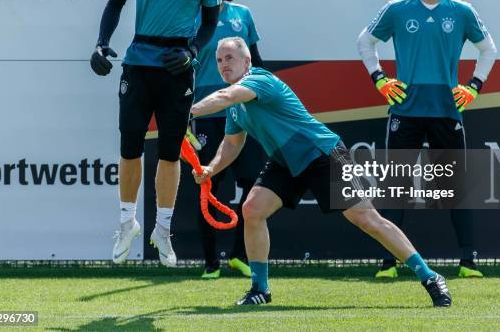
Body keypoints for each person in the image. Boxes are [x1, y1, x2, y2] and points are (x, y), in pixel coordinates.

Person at [190, 37, 452, 307]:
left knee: (366, 219)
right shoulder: (235, 108)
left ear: (247, 61)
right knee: (252, 209)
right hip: (285, 161)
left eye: (229, 58)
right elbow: (232, 145)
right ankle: (260, 288)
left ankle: (430, 276)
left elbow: (224, 96)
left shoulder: (258, 81)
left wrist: (187, 111)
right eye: (219, 60)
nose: (223, 65)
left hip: (321, 152)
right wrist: (211, 168)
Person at [89, 0, 223, 267]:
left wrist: (192, 52)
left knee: (169, 150)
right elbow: (114, 4)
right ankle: (126, 222)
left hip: (177, 66)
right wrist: (101, 43)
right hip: (138, 62)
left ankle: (162, 229)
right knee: (130, 145)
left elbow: (210, 22)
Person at [356, 0, 497, 278]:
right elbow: (365, 42)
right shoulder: (397, 9)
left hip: (447, 110)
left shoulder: (461, 11)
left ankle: (467, 261)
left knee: (456, 186)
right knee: (397, 187)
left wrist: (474, 86)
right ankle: (389, 263)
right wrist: (380, 79)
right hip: (405, 109)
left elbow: (489, 49)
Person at [191, 0, 266, 279]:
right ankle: (210, 263)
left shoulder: (243, 15)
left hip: (243, 113)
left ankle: (240, 255)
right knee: (208, 184)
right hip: (207, 113)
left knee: (254, 186)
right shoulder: (192, 16)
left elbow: (258, 64)